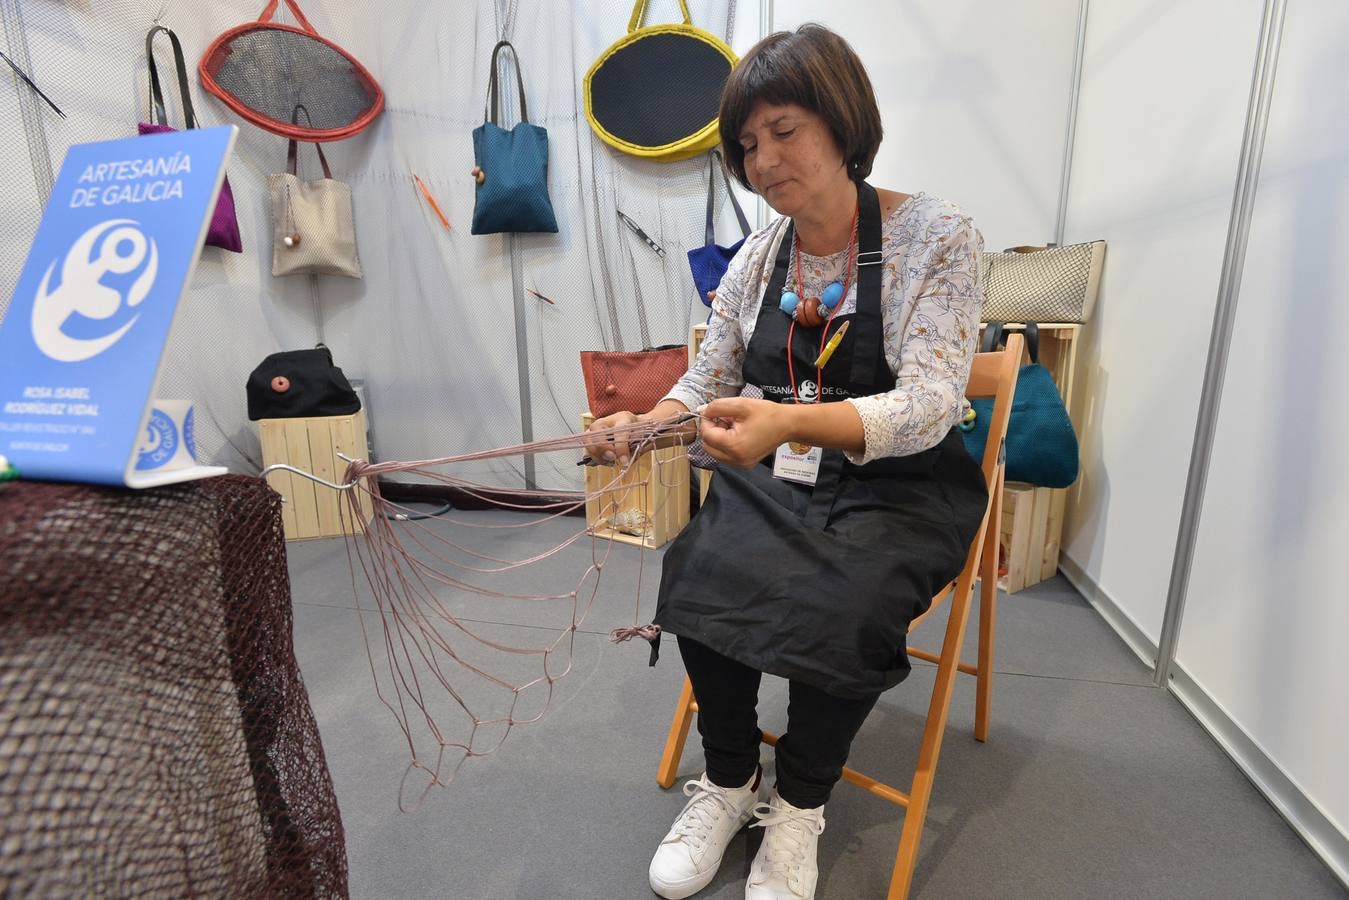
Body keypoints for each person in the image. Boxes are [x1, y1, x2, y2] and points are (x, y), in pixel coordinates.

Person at [585, 24, 987, 900]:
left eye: (783, 130)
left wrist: (784, 426)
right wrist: (650, 422)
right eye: (746, 144)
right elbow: (709, 374)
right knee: (698, 571)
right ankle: (729, 782)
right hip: (783, 474)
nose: (761, 160)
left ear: (842, 122)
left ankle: (800, 804)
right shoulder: (760, 255)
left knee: (848, 606)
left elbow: (926, 405)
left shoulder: (938, 238)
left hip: (903, 487)